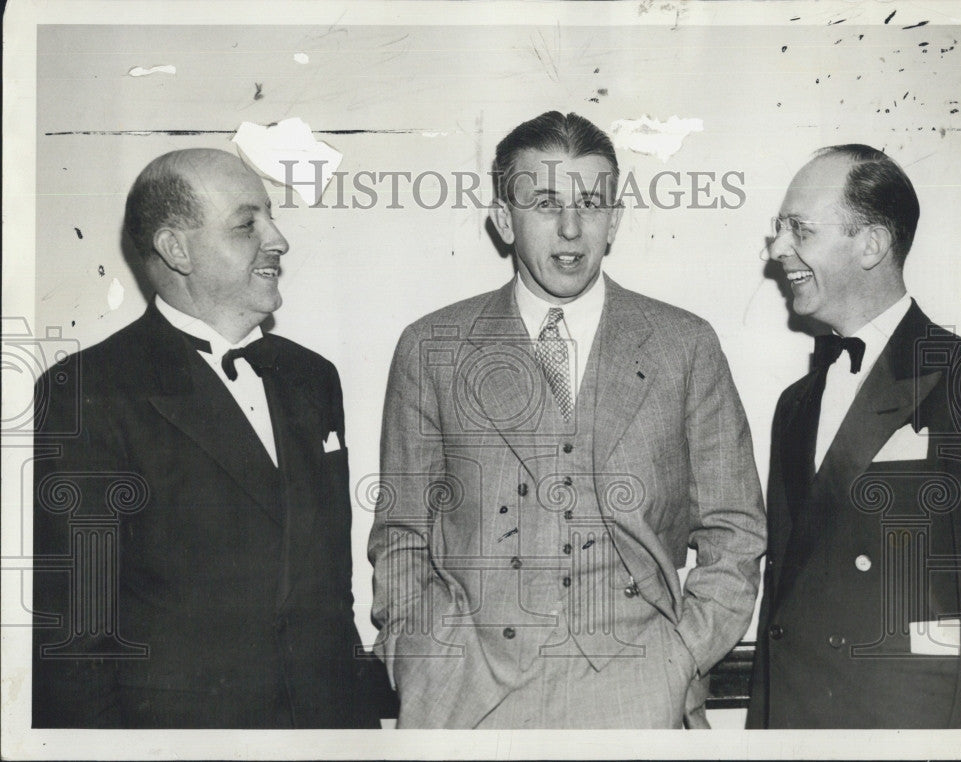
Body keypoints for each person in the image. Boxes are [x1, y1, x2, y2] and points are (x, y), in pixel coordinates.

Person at [368, 111, 766, 728]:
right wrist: (422, 659)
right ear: (504, 219)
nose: (572, 228)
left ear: (616, 220)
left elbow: (735, 529)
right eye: (546, 202)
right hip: (471, 701)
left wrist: (680, 656)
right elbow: (401, 536)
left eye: (592, 202)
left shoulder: (684, 345)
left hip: (642, 698)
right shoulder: (431, 347)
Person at [32, 148, 394, 728]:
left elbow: (330, 592)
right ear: (177, 250)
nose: (278, 239)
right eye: (247, 224)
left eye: (270, 217)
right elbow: (76, 642)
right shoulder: (85, 392)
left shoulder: (312, 377)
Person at [747, 145, 961, 729]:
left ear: (872, 245)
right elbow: (783, 595)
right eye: (779, 229)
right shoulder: (794, 406)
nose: (778, 249)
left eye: (799, 228)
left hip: (906, 726)